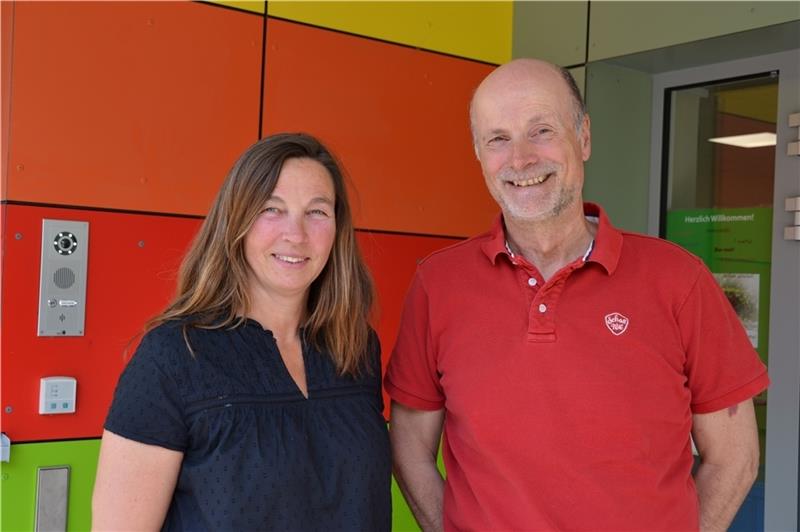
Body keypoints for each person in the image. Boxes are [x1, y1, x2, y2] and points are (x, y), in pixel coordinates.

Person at [385, 59, 768, 531]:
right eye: (498, 139)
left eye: (541, 130)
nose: (521, 159)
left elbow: (736, 457)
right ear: (479, 155)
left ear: (583, 137)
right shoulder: (437, 285)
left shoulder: (679, 280)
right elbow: (409, 446)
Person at [92, 133, 391, 531]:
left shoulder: (355, 347)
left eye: (317, 212)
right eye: (272, 208)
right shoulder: (174, 356)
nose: (296, 234)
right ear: (237, 220)